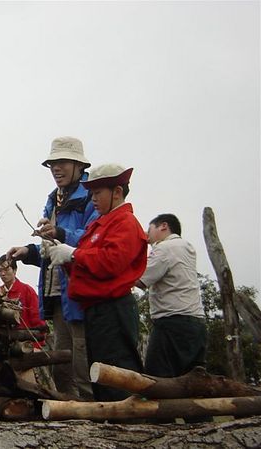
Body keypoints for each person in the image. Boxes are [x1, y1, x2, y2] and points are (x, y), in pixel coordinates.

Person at [43, 163, 147, 401]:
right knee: (100, 373)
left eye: (98, 193)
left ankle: (128, 424)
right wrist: (62, 254)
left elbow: (111, 262)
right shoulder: (100, 225)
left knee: (117, 372)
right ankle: (108, 421)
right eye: (91, 193)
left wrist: (73, 254)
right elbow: (85, 264)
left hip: (114, 309)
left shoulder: (125, 223)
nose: (93, 199)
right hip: (95, 311)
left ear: (117, 192)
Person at [7, 137, 97, 399]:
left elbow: (93, 238)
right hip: (57, 292)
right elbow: (52, 250)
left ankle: (91, 412)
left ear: (79, 165)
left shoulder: (90, 197)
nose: (56, 169)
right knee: (62, 360)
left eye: (63, 162)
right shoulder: (53, 200)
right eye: (53, 164)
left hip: (80, 291)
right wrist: (28, 252)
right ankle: (68, 412)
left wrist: (60, 232)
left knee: (82, 356)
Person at [136, 214, 206, 377]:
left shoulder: (165, 248)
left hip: (172, 323)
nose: (147, 234)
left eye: (149, 228)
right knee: (192, 380)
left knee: (157, 379)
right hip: (196, 323)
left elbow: (140, 279)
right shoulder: (187, 247)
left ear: (163, 226)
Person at [0, 255, 46, 346]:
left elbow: (37, 318)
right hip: (6, 344)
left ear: (15, 270)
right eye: (0, 270)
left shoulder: (27, 290)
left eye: (6, 270)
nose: (2, 273)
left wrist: (37, 345)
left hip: (27, 343)